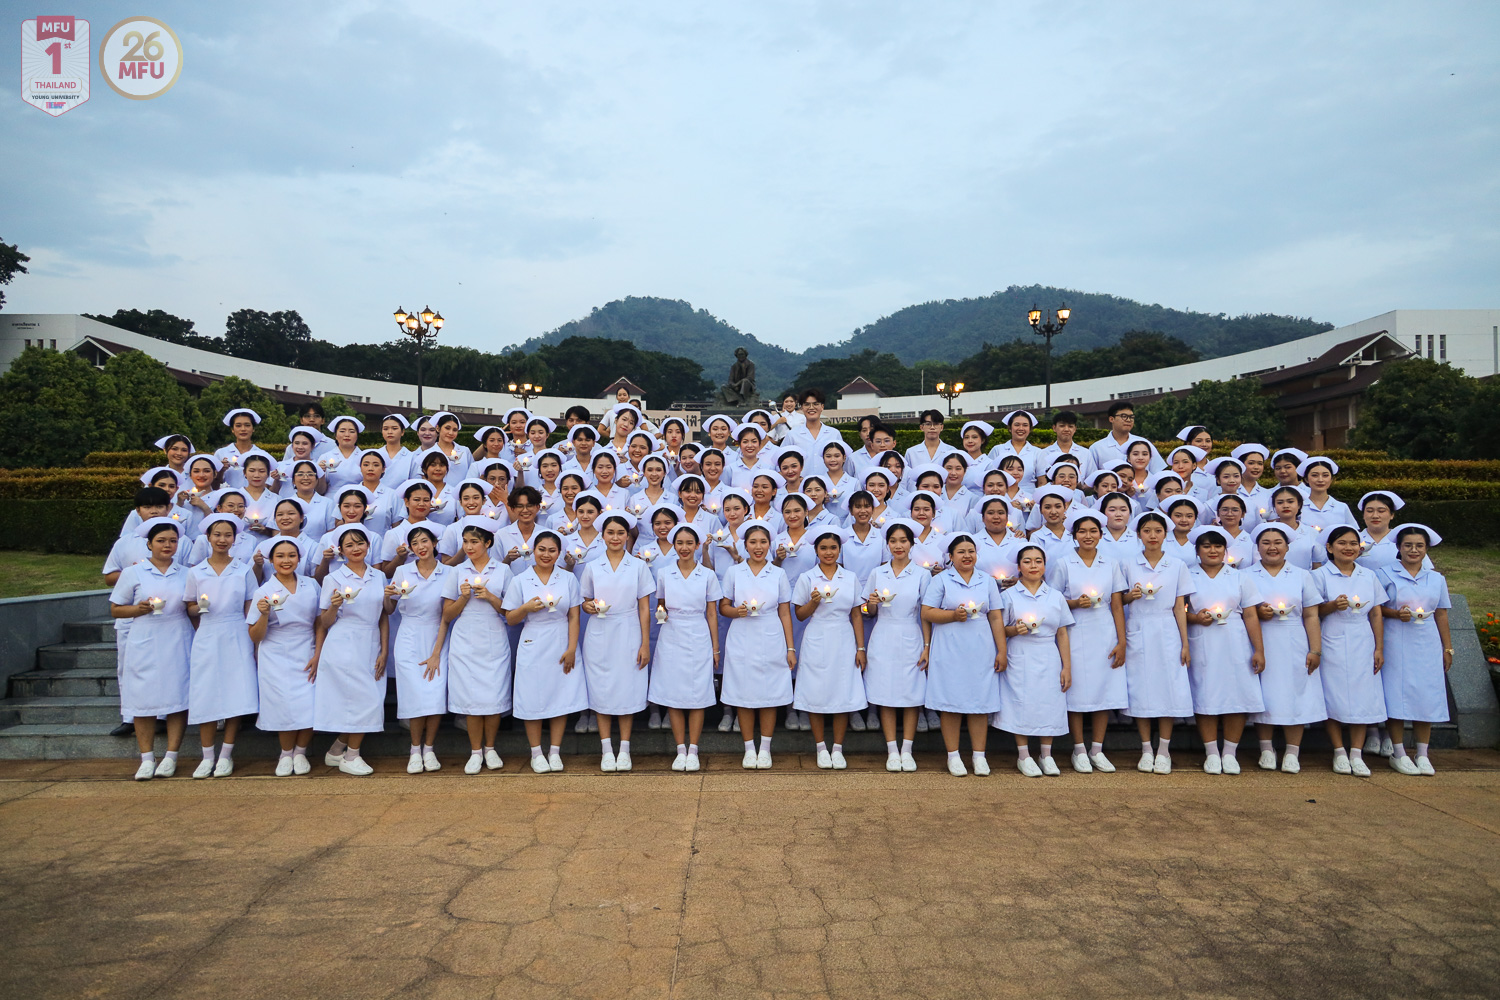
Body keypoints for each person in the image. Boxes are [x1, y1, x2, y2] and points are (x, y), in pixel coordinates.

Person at [110, 519, 195, 780]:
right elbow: (115, 608)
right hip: (145, 635)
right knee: (143, 698)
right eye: (161, 541)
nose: (167, 545)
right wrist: (138, 609)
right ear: (149, 544)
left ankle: (171, 755)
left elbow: (192, 606)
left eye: (172, 541)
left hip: (178, 635)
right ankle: (146, 758)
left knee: (177, 697)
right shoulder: (133, 573)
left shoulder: (186, 573)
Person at [1046, 510, 1128, 773]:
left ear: (1101, 535)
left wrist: (1122, 641)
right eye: (1082, 531)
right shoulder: (1063, 563)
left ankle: (1097, 749)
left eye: (1093, 531)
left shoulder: (1110, 563)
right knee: (1077, 692)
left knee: (1104, 690)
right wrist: (1073, 602)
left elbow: (1116, 604)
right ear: (1074, 536)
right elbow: (1052, 600)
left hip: (1104, 630)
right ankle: (1079, 749)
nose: (1088, 536)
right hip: (1075, 631)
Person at [1245, 523, 1329, 774]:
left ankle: (1293, 751)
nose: (1272, 547)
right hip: (1261, 639)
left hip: (1294, 639)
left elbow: (1311, 615)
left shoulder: (1303, 575)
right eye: (1266, 543)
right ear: (1257, 547)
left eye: (1277, 542)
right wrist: (1259, 611)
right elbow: (1244, 612)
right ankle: (1266, 749)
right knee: (1267, 694)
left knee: (1296, 693)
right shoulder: (1246, 575)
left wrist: (1315, 649)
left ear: (1287, 546)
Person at [921, 534, 1006, 776]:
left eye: (971, 551)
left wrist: (1002, 650)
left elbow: (996, 616)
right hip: (949, 648)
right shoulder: (941, 580)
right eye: (961, 552)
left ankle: (979, 756)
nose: (967, 555)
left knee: (979, 702)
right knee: (951, 703)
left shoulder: (987, 581)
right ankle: (954, 755)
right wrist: (951, 616)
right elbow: (926, 612)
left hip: (981, 647)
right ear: (950, 557)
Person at [1184, 527, 1267, 775]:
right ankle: (1211, 753)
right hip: (1203, 640)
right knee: (1206, 693)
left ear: (1225, 550)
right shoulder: (1187, 576)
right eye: (1207, 546)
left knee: (1236, 695)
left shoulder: (1240, 578)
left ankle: (1230, 753)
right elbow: (1179, 610)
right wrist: (1195, 619)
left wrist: (1258, 649)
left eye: (1218, 546)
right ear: (1197, 551)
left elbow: (1251, 614)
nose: (1213, 550)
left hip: (1234, 639)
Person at [434, 517, 513, 773]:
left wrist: (490, 597)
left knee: (493, 696)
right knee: (471, 698)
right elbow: (446, 615)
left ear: (488, 543)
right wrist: (463, 597)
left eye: (474, 542)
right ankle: (475, 751)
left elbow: (510, 613)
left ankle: (490, 748)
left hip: (493, 636)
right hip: (465, 638)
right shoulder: (456, 571)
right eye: (465, 542)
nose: (469, 547)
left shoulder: (502, 571)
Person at [185, 514, 260, 778]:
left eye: (227, 535)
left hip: (237, 632)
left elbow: (250, 606)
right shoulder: (196, 572)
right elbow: (189, 607)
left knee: (235, 693)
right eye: (217, 535)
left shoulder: (243, 570)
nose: (222, 540)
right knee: (206, 694)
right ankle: (207, 756)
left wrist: (252, 641)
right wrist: (200, 608)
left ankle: (226, 754)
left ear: (235, 539)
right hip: (207, 633)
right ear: (208, 537)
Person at [1120, 511, 1195, 775]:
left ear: (1165, 534)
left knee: (1167, 689)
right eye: (1147, 531)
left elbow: (1179, 607)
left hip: (1167, 630)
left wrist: (1185, 643)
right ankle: (1146, 749)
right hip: (1138, 627)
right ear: (1139, 534)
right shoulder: (1128, 564)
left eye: (1158, 531)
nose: (1153, 536)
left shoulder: (1177, 566)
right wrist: (1131, 596)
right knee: (1141, 688)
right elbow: (1119, 601)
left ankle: (1163, 750)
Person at [504, 530, 585, 773]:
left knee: (560, 695)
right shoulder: (520, 580)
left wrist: (572, 648)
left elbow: (573, 616)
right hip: (533, 639)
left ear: (559, 553)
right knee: (533, 697)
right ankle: (536, 752)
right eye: (542, 549)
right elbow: (510, 618)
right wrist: (526, 607)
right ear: (533, 550)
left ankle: (555, 751)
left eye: (552, 550)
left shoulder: (568, 579)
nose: (546, 554)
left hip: (561, 639)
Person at [580, 511, 655, 771]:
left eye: (620, 533)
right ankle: (606, 750)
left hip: (628, 629)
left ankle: (624, 749)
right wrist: (588, 607)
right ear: (602, 536)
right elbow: (585, 599)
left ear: (627, 536)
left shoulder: (638, 566)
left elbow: (644, 608)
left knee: (626, 688)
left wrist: (645, 643)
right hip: (600, 631)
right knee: (601, 689)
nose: (615, 537)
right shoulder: (592, 566)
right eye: (610, 533)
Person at [718, 520, 796, 769]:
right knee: (744, 693)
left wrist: (790, 648)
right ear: (745, 545)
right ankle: (749, 748)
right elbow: (723, 606)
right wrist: (736, 612)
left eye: (763, 542)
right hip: (742, 635)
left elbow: (785, 612)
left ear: (770, 544)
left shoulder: (778, 573)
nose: (758, 547)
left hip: (771, 635)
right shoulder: (735, 571)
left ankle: (765, 748)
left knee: (769, 694)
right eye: (753, 542)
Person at [315, 525, 391, 776]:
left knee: (369, 698)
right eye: (349, 545)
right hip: (343, 643)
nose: (356, 548)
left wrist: (384, 650)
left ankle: (336, 751)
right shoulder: (333, 578)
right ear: (341, 550)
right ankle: (352, 755)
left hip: (370, 642)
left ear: (368, 545)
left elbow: (382, 615)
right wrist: (334, 607)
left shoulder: (378, 576)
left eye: (360, 543)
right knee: (363, 701)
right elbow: (325, 622)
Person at [1378, 524, 1453, 776]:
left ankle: (1422, 752)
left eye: (1419, 546)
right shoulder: (1385, 573)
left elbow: (1441, 613)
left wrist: (1447, 647)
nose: (1413, 550)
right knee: (1397, 693)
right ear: (1398, 548)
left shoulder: (1436, 578)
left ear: (1426, 549)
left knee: (1426, 695)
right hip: (1396, 639)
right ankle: (1398, 752)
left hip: (1427, 641)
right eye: (1408, 545)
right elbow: (1377, 609)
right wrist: (1395, 613)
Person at [1316, 525, 1390, 777]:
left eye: (1353, 543)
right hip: (1332, 637)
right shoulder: (1320, 575)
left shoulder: (1368, 576)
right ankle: (1339, 751)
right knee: (1333, 695)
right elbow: (1312, 612)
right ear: (1329, 547)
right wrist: (1331, 606)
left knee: (1363, 695)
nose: (1348, 548)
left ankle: (1356, 753)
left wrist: (1379, 646)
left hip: (1362, 639)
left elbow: (1376, 612)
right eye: (1341, 543)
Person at [791, 529, 868, 769]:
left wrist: (861, 647)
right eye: (823, 548)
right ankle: (821, 747)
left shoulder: (850, 577)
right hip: (817, 635)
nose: (828, 552)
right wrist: (813, 602)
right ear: (816, 551)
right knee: (816, 691)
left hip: (843, 637)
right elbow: (799, 615)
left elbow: (856, 614)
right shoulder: (807, 577)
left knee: (841, 692)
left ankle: (838, 748)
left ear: (839, 550)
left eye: (833, 548)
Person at [650, 523, 723, 771]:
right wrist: (661, 616)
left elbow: (712, 614)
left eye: (689, 543)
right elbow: (660, 604)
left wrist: (715, 648)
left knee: (697, 694)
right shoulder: (664, 573)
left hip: (698, 632)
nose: (684, 548)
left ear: (697, 545)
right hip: (671, 634)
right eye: (679, 543)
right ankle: (680, 750)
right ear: (674, 545)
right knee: (673, 694)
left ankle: (694, 750)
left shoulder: (708, 575)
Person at [998, 545, 1074, 776]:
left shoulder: (1055, 596)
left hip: (1048, 654)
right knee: (1020, 701)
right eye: (1028, 561)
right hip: (1019, 653)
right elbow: (999, 629)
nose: (1033, 566)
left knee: (1048, 702)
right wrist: (1014, 630)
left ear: (1044, 565)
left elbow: (1061, 632)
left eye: (1038, 561)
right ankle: (1023, 755)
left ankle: (1046, 754)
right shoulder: (1008, 595)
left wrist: (1066, 667)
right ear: (1019, 566)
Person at [861, 521, 931, 770]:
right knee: (885, 693)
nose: (898, 546)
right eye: (893, 541)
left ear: (912, 544)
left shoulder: (922, 574)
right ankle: (892, 750)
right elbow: (866, 612)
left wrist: (926, 646)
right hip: (883, 636)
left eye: (903, 541)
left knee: (911, 695)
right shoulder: (877, 573)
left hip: (911, 635)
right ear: (887, 544)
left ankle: (907, 749)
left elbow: (925, 613)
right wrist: (871, 603)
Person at [248, 537, 319, 776]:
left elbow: (320, 622)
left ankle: (300, 752)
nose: (286, 560)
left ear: (299, 559)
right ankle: (285, 753)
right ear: (270, 561)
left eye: (291, 555)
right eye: (280, 556)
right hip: (275, 653)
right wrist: (264, 615)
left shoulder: (311, 585)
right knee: (284, 705)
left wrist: (318, 652)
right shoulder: (263, 591)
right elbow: (254, 636)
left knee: (309, 704)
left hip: (307, 649)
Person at [384, 525, 450, 774]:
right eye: (415, 543)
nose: (421, 547)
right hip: (409, 637)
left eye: (425, 541)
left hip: (437, 637)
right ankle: (414, 750)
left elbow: (445, 617)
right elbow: (389, 610)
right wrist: (387, 596)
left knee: (434, 694)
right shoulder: (402, 571)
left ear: (434, 543)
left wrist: (436, 653)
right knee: (413, 694)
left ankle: (429, 748)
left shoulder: (448, 572)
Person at [1088, 401, 1164, 474]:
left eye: (1131, 417)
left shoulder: (1144, 444)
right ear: (1111, 419)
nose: (1128, 420)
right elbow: (1092, 478)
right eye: (1124, 416)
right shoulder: (1097, 448)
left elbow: (1157, 472)